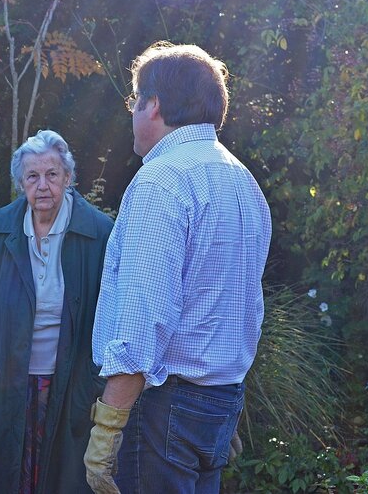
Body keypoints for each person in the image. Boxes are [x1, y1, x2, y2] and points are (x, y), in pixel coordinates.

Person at [85, 42, 272, 493]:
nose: (132, 112)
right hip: (219, 403)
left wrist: (107, 429)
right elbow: (241, 310)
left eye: (135, 100)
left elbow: (144, 319)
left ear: (154, 105)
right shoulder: (243, 181)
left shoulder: (162, 180)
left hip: (161, 409)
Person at [0, 130, 114, 493]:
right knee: (6, 478)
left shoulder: (99, 233)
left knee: (63, 479)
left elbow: (113, 312)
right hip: (6, 381)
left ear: (68, 178)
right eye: (32, 176)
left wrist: (96, 382)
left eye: (52, 175)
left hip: (71, 384)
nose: (42, 185)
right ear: (20, 183)